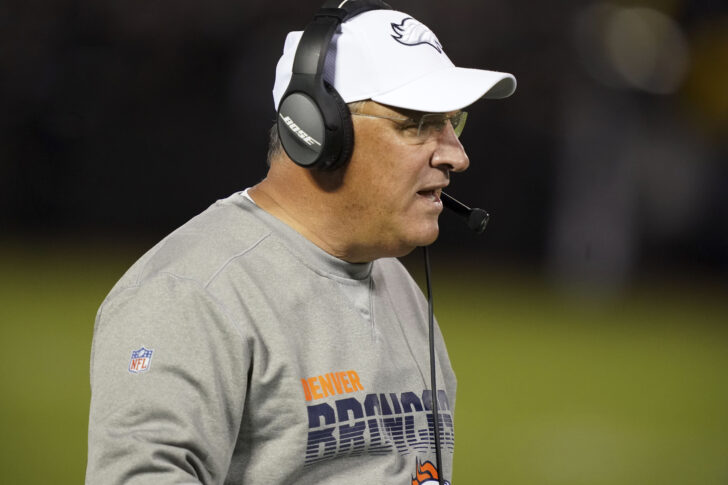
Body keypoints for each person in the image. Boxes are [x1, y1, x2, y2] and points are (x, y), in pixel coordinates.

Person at [85, 1, 515, 484]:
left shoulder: (395, 282)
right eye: (417, 124)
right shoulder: (190, 294)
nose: (457, 156)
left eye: (452, 123)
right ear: (317, 131)